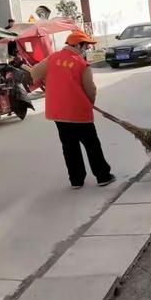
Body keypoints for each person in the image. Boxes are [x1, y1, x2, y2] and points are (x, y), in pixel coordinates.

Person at [31, 30, 115, 189]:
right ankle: (103, 176)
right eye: (85, 46)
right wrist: (89, 102)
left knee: (69, 147)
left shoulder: (52, 58)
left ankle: (76, 180)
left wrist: (45, 76)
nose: (86, 49)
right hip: (79, 112)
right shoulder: (81, 64)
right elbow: (91, 89)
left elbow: (35, 72)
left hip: (58, 114)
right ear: (77, 44)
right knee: (91, 145)